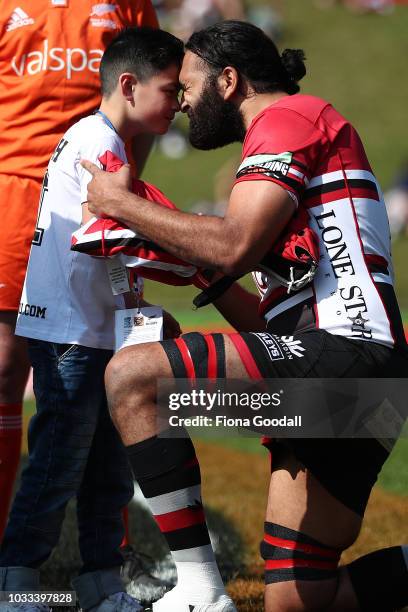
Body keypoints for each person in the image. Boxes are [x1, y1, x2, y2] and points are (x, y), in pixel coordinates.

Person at [81, 20, 408, 612]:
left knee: (134, 380)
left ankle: (201, 593)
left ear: (228, 81)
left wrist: (121, 204)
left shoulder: (289, 119)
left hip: (347, 360)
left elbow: (233, 245)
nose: (180, 101)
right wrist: (181, 255)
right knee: (298, 599)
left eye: (187, 86)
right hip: (360, 391)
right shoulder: (289, 139)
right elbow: (266, 317)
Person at [0, 27, 187, 612]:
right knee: (60, 458)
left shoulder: (104, 140)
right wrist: (192, 256)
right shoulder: (97, 144)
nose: (180, 100)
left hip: (99, 330)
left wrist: (142, 302)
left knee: (109, 464)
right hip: (71, 335)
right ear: (129, 85)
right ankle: (17, 579)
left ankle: (101, 581)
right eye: (170, 88)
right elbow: (104, 235)